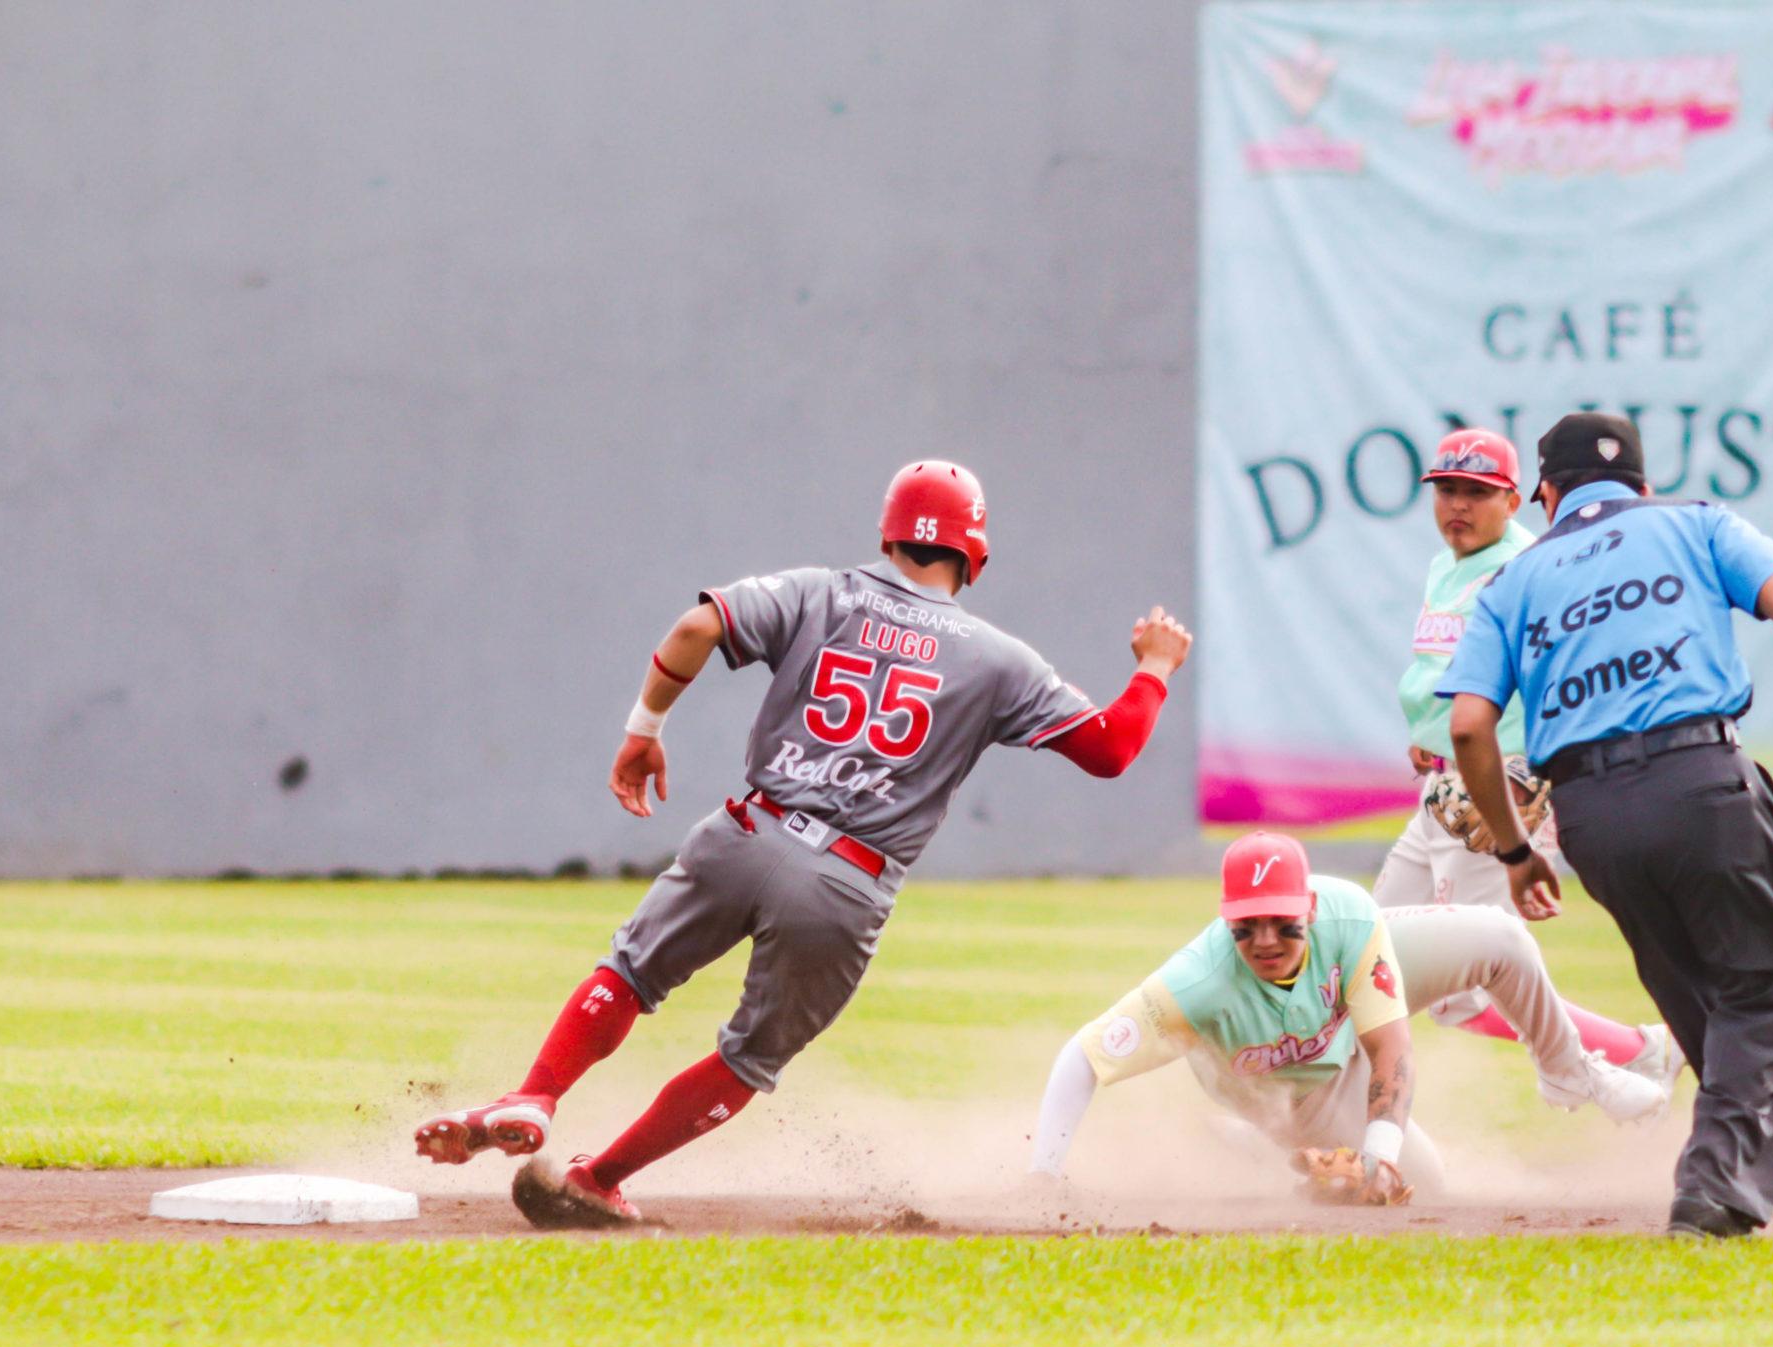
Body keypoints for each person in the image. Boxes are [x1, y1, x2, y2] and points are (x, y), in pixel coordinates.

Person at [412, 460, 1193, 1227]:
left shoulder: (822, 592)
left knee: (630, 973)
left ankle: (537, 1093)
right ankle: (597, 1177)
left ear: (888, 537)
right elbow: (1110, 748)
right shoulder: (998, 659)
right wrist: (1154, 666)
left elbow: (695, 627)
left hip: (748, 830)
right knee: (747, 1060)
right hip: (846, 882)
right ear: (974, 556)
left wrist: (644, 730)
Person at [1435, 411, 1773, 1238]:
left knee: (1701, 1000)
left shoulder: (1511, 581)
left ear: (1545, 494)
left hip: (1591, 818)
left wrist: (1514, 848)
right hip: (1699, 785)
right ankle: (1713, 1186)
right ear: (1642, 485)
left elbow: (1469, 726)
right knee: (1766, 985)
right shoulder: (1693, 522)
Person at [1025, 832, 1667, 1205]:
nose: (1267, 940)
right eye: (1247, 927)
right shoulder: (1198, 984)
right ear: (1226, 920)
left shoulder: (1349, 917)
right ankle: (1264, 1147)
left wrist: (1375, 1156)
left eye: (1284, 922)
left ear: (1309, 904)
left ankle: (1570, 1071)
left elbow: (1391, 1049)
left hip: (1345, 1005)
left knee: (1502, 940)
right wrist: (1042, 1174)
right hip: (1295, 1083)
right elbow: (1082, 1058)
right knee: (1424, 1182)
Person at [1374, 428, 1683, 1093]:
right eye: (1447, 490)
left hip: (1498, 784)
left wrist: (1534, 776)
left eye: (1477, 493)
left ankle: (1638, 1053)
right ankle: (1328, 1115)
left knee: (1464, 994)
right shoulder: (1445, 564)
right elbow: (1445, 671)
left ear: (1513, 500)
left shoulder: (1527, 566)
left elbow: (1561, 671)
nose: (1458, 505)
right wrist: (1429, 727)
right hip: (1441, 787)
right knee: (1370, 959)